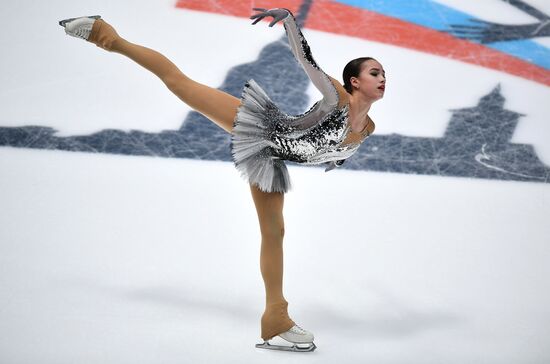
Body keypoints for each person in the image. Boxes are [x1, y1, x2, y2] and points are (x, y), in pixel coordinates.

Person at [59, 7, 385, 352]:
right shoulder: (336, 98)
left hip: (272, 160)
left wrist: (338, 160)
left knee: (275, 232)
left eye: (383, 74)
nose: (382, 78)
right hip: (263, 130)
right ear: (354, 81)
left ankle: (275, 317)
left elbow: (336, 149)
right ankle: (104, 35)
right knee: (181, 84)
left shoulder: (368, 128)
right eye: (375, 72)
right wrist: (290, 20)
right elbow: (306, 60)